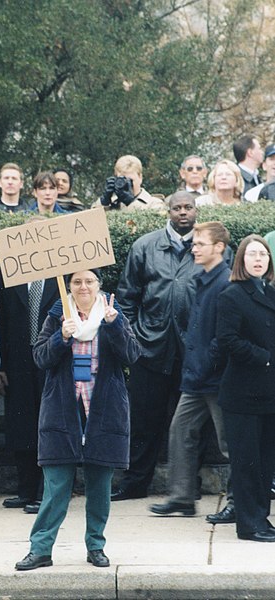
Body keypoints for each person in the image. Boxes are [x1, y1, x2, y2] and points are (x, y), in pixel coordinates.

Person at [14, 270, 142, 571]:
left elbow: (132, 355)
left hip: (103, 408)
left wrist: (114, 327)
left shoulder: (112, 313)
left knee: (99, 486)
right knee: (56, 486)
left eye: (89, 281)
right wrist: (62, 337)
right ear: (69, 287)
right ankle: (40, 549)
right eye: (77, 282)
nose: (83, 287)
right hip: (63, 409)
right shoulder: (57, 314)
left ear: (98, 286)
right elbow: (41, 358)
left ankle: (96, 546)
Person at [112, 192, 203, 501]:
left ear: (196, 210)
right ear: (168, 210)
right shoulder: (144, 246)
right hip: (150, 348)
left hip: (192, 351)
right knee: (143, 420)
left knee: (191, 424)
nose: (182, 213)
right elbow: (127, 298)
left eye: (188, 207)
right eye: (177, 208)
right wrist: (134, 338)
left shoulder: (207, 247)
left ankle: (190, 485)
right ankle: (135, 483)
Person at [149, 222, 235, 523]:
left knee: (230, 442)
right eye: (194, 243)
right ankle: (182, 498)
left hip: (216, 379)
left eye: (200, 243)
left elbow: (222, 338)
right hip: (197, 378)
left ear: (219, 248)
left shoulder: (225, 282)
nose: (193, 248)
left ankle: (238, 500)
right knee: (180, 430)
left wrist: (206, 363)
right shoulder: (203, 279)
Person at [216, 235, 275, 542]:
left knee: (266, 462)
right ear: (241, 260)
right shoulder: (232, 294)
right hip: (243, 393)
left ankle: (261, 519)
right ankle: (249, 524)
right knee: (247, 463)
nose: (258, 259)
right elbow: (227, 340)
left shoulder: (270, 291)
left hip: (269, 394)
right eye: (251, 254)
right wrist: (263, 357)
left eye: (263, 254)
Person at [0, 253, 60, 512]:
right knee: (21, 425)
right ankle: (26, 490)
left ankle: (47, 493)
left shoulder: (63, 275)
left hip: (52, 359)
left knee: (51, 424)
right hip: (18, 361)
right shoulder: (8, 274)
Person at [96, 155, 165, 211]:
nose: (127, 184)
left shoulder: (155, 204)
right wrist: (104, 202)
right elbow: (91, 222)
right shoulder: (113, 202)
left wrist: (130, 203)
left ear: (140, 178)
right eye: (122, 180)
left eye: (130, 181)